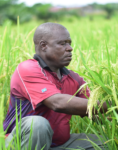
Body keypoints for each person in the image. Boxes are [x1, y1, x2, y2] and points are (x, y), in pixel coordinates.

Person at [4, 22, 110, 150]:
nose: (70, 48)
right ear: (44, 46)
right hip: (20, 144)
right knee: (36, 124)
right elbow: (58, 103)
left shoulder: (74, 78)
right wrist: (111, 104)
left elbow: (94, 109)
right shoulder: (28, 69)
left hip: (58, 145)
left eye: (69, 43)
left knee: (104, 143)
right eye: (62, 43)